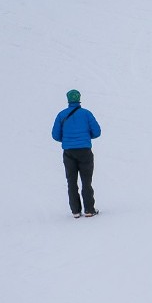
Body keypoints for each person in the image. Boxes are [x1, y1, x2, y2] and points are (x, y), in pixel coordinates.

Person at [51, 89, 102, 218]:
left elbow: (55, 135)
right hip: (85, 151)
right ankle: (89, 209)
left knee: (71, 182)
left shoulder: (61, 115)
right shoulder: (86, 114)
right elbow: (97, 132)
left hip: (68, 152)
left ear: (68, 99)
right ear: (79, 98)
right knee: (86, 181)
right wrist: (85, 137)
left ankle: (75, 211)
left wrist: (68, 139)